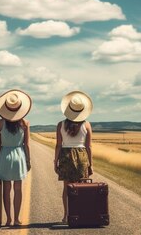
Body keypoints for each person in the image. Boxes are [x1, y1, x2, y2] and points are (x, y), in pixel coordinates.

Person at [53, 90, 93, 224]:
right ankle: (80, 215)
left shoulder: (60, 125)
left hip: (65, 155)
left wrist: (55, 161)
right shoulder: (87, 124)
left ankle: (66, 216)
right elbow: (89, 147)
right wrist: (90, 164)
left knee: (67, 188)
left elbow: (58, 145)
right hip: (82, 155)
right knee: (80, 187)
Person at [0, 89, 32, 226]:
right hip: (19, 156)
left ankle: (8, 219)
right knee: (18, 189)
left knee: (6, 189)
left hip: (4, 156)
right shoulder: (25, 123)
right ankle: (17, 219)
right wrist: (28, 160)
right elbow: (27, 144)